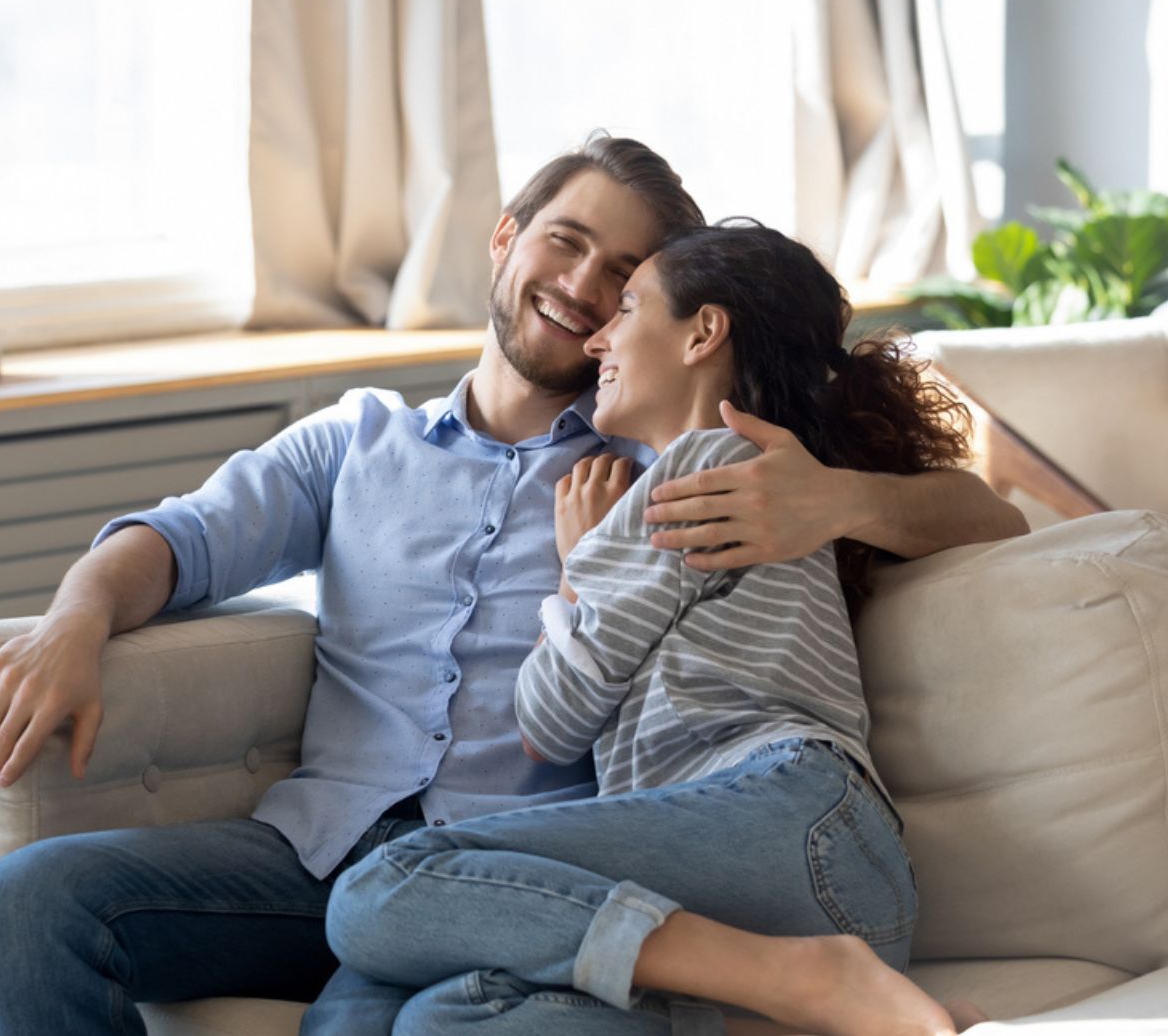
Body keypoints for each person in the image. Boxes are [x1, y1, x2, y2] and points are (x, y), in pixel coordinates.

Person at [0, 135, 1026, 1034]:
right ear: (505, 236)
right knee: (29, 898)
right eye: (567, 241)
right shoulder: (355, 441)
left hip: (521, 869)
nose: (584, 290)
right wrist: (75, 618)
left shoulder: (663, 460)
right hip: (316, 850)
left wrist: (838, 500)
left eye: (624, 275)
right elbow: (184, 538)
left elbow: (985, 514)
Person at [311, 220, 984, 1035]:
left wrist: (575, 565)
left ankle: (807, 976)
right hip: (806, 883)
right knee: (440, 1015)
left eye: (626, 307)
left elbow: (548, 724)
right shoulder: (744, 476)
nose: (598, 339)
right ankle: (765, 997)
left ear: (703, 332)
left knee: (379, 889)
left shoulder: (701, 469)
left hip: (790, 815)